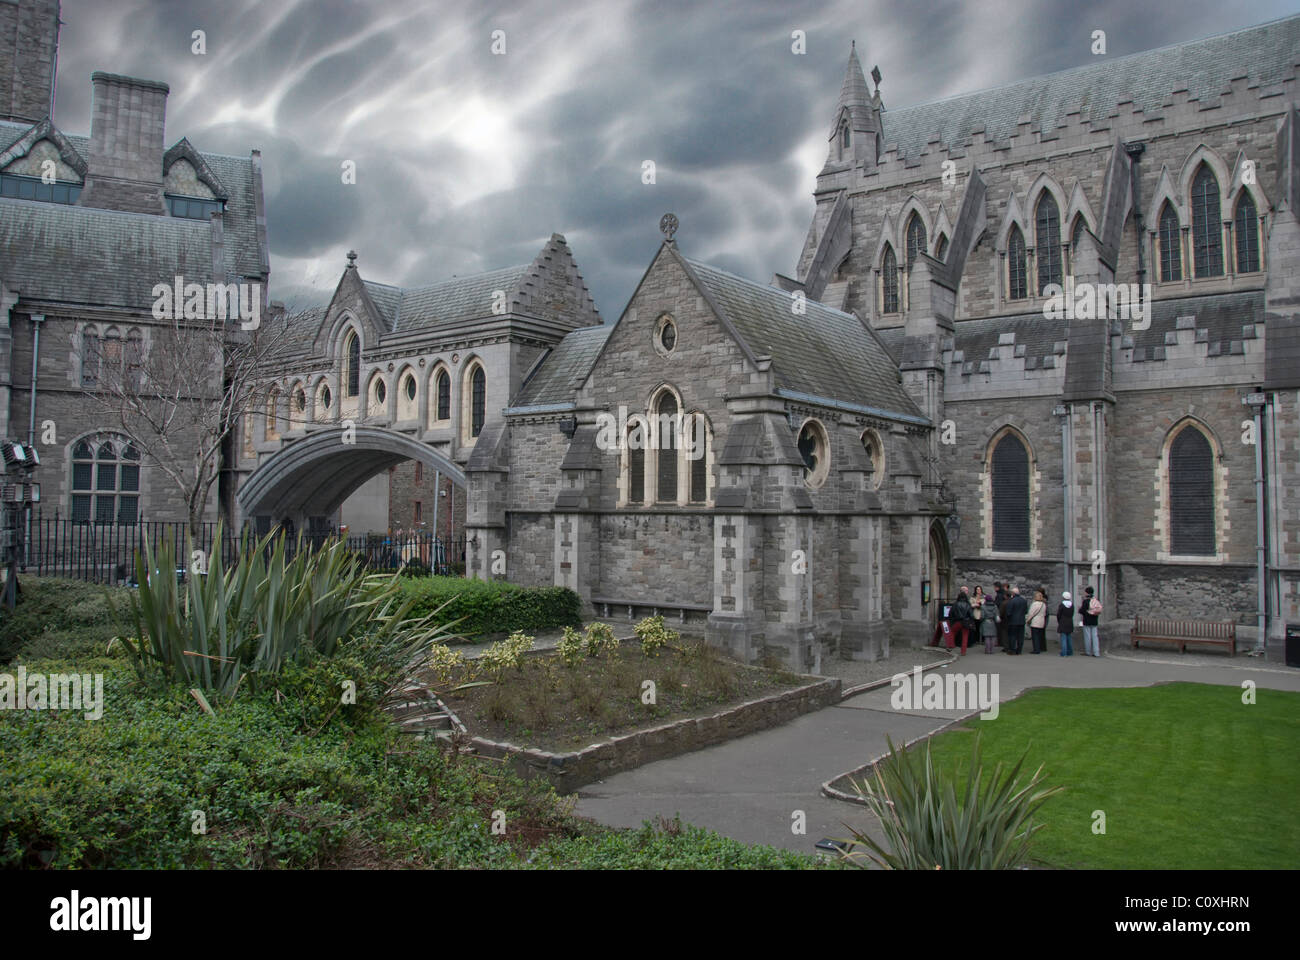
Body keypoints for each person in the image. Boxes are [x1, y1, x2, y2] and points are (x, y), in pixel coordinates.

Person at [1003, 585, 1028, 654]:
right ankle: (1019, 650)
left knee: (1012, 636)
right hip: (1021, 621)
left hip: (1013, 621)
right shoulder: (1024, 601)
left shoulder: (1011, 601)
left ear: (1013, 593)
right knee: (1020, 637)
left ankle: (1012, 649)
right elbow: (1026, 611)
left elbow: (1008, 612)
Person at [950, 586, 975, 655]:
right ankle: (963, 651)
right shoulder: (967, 604)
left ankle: (950, 646)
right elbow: (971, 615)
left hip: (958, 621)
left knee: (952, 633)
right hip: (966, 622)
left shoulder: (955, 604)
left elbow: (951, 613)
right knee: (965, 636)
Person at [1082, 586, 1102, 657]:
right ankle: (1096, 652)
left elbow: (1082, 611)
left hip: (1087, 621)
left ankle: (1088, 651)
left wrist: (1080, 610)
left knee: (1088, 636)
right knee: (1095, 637)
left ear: (1087, 593)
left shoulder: (1085, 601)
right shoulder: (1095, 601)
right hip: (1094, 621)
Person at [1056, 591, 1075, 656]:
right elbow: (1072, 613)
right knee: (1069, 637)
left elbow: (1059, 614)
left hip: (1063, 622)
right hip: (1069, 621)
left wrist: (1059, 621)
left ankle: (1064, 652)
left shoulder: (1062, 605)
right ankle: (1070, 651)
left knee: (1063, 638)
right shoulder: (1072, 605)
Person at [994, 582, 1008, 649]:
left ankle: (1001, 642)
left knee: (1000, 629)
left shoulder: (999, 595)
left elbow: (998, 604)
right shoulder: (1002, 594)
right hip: (1004, 613)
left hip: (1000, 613)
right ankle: (1002, 642)